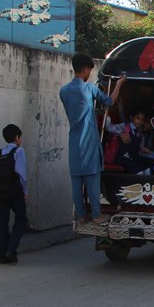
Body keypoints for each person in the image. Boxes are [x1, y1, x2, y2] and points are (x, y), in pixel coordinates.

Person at [59, 52, 123, 223]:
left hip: (74, 141)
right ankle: (96, 215)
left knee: (76, 182)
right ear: (86, 69)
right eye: (90, 71)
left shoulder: (63, 91)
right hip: (89, 140)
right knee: (92, 180)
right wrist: (118, 84)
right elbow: (109, 102)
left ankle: (80, 215)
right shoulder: (89, 89)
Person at [0, 124, 28, 264]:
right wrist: (25, 191)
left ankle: (2, 255)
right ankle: (11, 249)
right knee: (21, 219)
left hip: (0, 192)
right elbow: (22, 174)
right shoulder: (19, 151)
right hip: (15, 191)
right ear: (17, 137)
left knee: (2, 223)